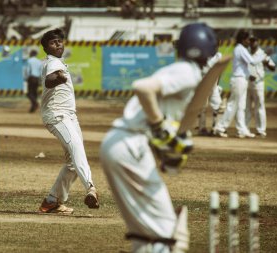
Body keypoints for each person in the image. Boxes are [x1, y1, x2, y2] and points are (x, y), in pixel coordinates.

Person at [100, 23, 218, 253]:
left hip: (122, 144)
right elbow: (142, 87)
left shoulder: (181, 69)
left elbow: (154, 116)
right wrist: (159, 127)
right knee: (165, 231)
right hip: (130, 145)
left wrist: (165, 148)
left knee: (147, 232)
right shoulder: (188, 71)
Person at [38, 28, 99, 214]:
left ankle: (51, 201)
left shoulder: (59, 63)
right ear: (46, 48)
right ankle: (91, 188)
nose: (57, 45)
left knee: (73, 163)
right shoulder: (52, 63)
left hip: (70, 116)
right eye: (52, 43)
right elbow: (49, 80)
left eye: (59, 41)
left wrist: (60, 76)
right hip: (57, 115)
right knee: (77, 149)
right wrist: (57, 78)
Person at [214, 30, 268, 138]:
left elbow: (243, 66)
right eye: (248, 40)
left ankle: (242, 129)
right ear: (243, 39)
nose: (249, 42)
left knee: (241, 107)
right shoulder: (240, 48)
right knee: (232, 104)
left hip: (242, 79)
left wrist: (249, 75)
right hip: (238, 80)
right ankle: (220, 127)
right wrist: (263, 56)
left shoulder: (242, 49)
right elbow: (252, 61)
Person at [245, 36, 276, 138]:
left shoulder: (263, 54)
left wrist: (266, 63)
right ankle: (245, 128)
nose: (252, 43)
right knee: (246, 107)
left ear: (258, 42)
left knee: (259, 107)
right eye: (251, 41)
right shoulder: (246, 52)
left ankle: (261, 130)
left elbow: (273, 67)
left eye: (254, 41)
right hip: (247, 82)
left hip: (258, 83)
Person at [197, 52, 223, 136]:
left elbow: (220, 71)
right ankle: (202, 129)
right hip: (204, 83)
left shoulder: (218, 55)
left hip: (213, 84)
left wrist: (217, 84)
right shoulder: (203, 53)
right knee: (202, 106)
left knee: (219, 105)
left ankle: (215, 128)